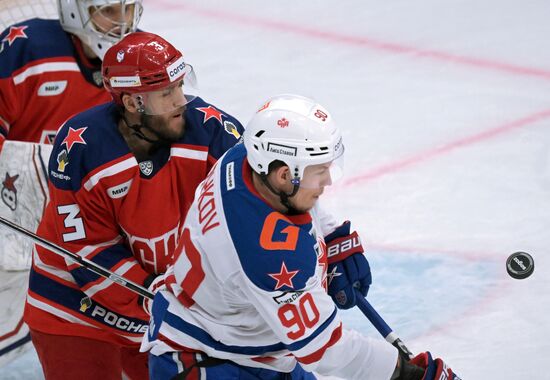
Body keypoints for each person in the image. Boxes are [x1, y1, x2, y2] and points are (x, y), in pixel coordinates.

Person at [141, 94, 459, 380]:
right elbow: (326, 350)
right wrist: (408, 373)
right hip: (209, 363)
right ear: (283, 174)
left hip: (247, 347)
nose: (328, 182)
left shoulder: (243, 159)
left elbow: (295, 201)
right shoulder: (269, 253)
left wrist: (333, 235)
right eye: (319, 171)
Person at [23, 31, 244, 380]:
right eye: (166, 93)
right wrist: (158, 294)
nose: (180, 101)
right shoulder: (82, 149)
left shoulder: (214, 133)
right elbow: (88, 252)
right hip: (74, 310)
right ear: (131, 103)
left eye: (180, 86)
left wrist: (328, 235)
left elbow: (260, 203)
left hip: (166, 307)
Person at [0, 0, 144, 366]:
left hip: (87, 219)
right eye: (110, 11)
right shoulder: (26, 48)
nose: (122, 23)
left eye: (129, 10)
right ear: (77, 10)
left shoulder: (141, 58)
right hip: (14, 204)